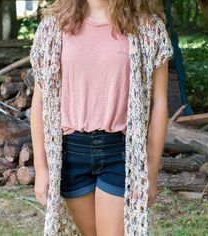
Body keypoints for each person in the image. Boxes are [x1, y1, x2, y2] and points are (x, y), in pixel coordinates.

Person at [30, 0, 173, 235]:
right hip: (70, 154)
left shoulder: (147, 28)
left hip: (121, 153)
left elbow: (159, 104)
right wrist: (41, 168)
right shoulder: (53, 26)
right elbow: (41, 101)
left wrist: (151, 171)